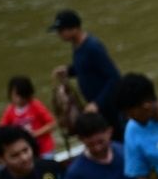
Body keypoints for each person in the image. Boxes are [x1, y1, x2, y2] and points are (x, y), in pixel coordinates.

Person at [49, 9, 123, 140]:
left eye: (61, 30)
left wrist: (97, 103)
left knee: (116, 138)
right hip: (96, 107)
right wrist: (69, 70)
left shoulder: (92, 47)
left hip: (109, 107)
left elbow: (114, 77)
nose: (59, 34)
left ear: (74, 29)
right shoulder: (77, 46)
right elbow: (86, 68)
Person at [0, 76, 57, 158]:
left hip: (44, 149)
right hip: (25, 153)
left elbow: (52, 124)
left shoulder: (36, 105)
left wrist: (36, 134)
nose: (18, 99)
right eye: (15, 95)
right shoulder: (9, 111)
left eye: (20, 96)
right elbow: (2, 129)